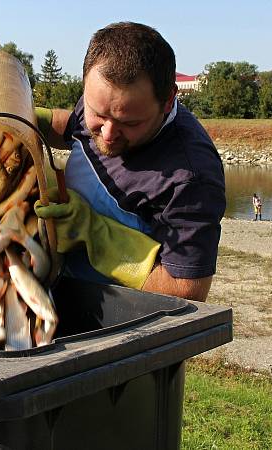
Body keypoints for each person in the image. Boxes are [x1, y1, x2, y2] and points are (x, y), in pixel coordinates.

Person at [34, 22, 225, 302]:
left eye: (130, 122)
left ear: (170, 99)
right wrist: (22, 116)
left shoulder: (190, 178)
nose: (108, 133)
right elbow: (72, 129)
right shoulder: (108, 96)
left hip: (118, 323)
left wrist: (94, 234)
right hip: (56, 288)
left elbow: (188, 291)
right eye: (97, 114)